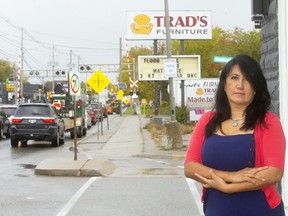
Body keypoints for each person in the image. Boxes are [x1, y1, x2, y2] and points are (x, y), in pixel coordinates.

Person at [184, 54, 286, 216]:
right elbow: (190, 168)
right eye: (234, 77)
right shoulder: (207, 120)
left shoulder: (268, 122)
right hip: (217, 207)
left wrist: (229, 187)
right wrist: (232, 176)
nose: (240, 85)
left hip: (259, 209)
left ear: (255, 89)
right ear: (224, 85)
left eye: (247, 79)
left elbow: (274, 172)